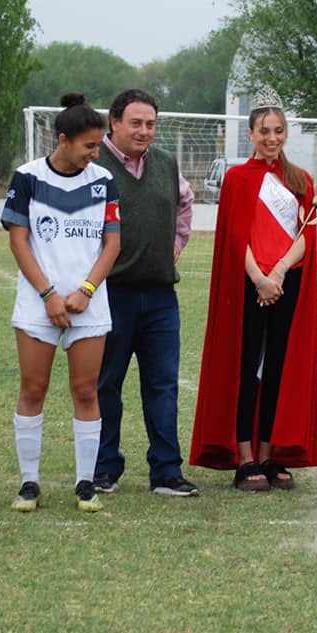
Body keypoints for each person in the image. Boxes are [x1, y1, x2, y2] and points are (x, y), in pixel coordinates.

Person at [189, 85, 317, 491]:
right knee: (247, 368)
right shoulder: (237, 178)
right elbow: (233, 237)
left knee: (279, 366)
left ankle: (269, 453)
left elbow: (306, 236)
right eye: (264, 131)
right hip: (249, 284)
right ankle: (244, 457)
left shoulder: (300, 179)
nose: (272, 138)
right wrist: (260, 278)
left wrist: (278, 273)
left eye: (278, 131)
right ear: (251, 134)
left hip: (286, 283)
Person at [2, 93, 120, 513]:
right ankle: (29, 483)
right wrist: (49, 295)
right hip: (38, 304)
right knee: (33, 388)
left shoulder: (103, 181)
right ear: (63, 139)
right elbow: (19, 241)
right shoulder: (27, 177)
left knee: (86, 391)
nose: (95, 152)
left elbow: (112, 243)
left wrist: (86, 291)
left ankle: (85, 484)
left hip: (89, 304)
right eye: (89, 145)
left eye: (98, 145)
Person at [92, 89, 200, 497]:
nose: (144, 131)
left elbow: (186, 205)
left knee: (163, 385)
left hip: (159, 297)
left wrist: (171, 250)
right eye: (135, 123)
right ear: (114, 122)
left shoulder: (167, 165)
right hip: (109, 295)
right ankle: (104, 469)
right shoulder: (93, 164)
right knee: (106, 384)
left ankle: (167, 472)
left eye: (150, 124)